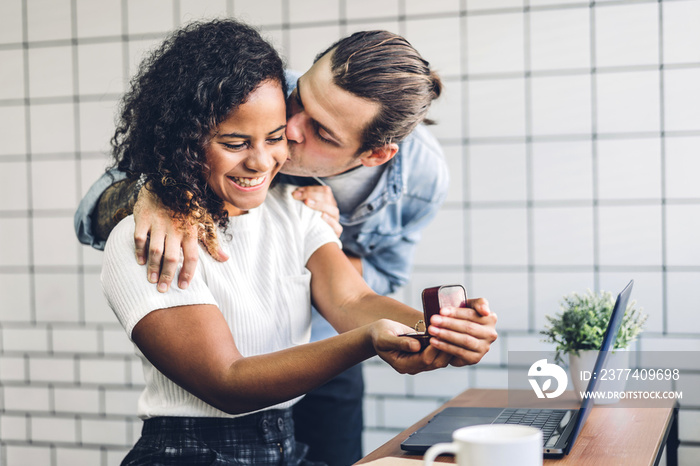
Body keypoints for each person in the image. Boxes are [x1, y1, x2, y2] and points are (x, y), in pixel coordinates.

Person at [98, 18, 497, 466]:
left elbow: (353, 298)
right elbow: (228, 383)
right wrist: (152, 191)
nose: (284, 138)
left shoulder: (329, 201)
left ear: (375, 154)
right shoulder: (252, 87)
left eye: (315, 133)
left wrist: (438, 329)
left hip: (304, 389)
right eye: (298, 103)